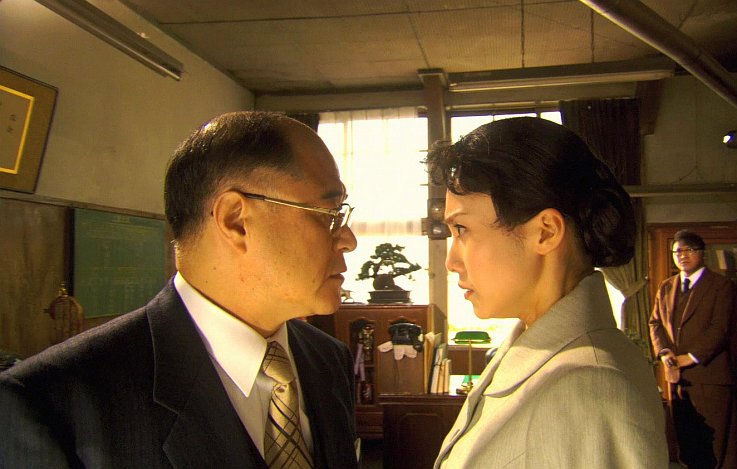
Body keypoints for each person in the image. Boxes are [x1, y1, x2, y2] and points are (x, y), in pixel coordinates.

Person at [0, 112, 360, 468]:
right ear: (236, 220)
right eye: (329, 214)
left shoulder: (326, 359)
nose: (349, 240)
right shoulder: (56, 401)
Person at [428, 117, 668, 468]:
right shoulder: (544, 355)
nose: (451, 262)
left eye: (462, 229)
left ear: (546, 232)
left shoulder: (590, 389)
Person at [649, 229, 737, 469]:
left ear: (702, 253)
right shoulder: (666, 287)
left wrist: (688, 358)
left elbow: (720, 329)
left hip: (710, 378)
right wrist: (665, 353)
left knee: (714, 450)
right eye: (677, 252)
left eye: (689, 250)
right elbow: (655, 323)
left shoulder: (721, 286)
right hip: (676, 380)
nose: (682, 256)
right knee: (685, 448)